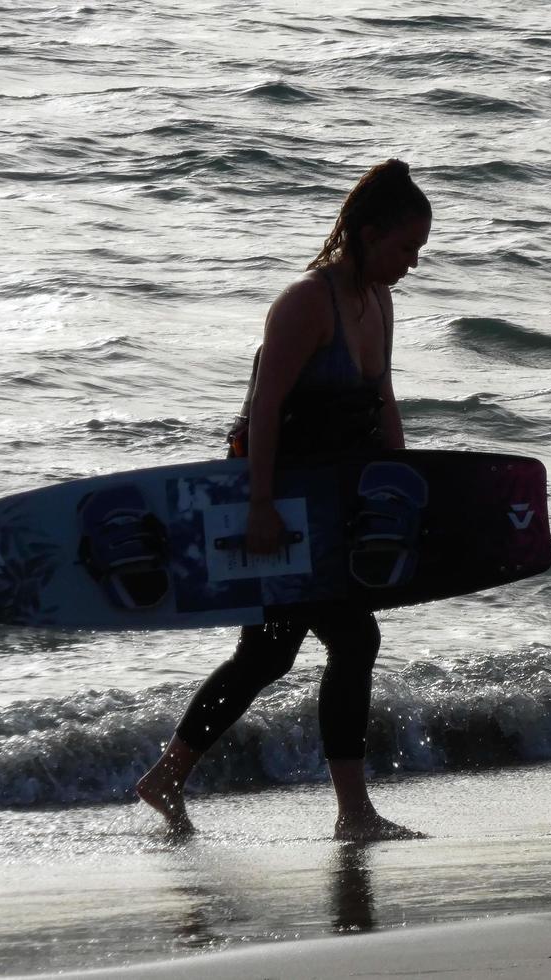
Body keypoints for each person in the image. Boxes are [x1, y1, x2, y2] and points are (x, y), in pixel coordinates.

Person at [136, 159, 432, 841]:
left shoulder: (379, 302)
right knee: (350, 640)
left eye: (419, 252)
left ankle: (169, 776)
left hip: (335, 509)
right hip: (283, 508)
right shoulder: (306, 302)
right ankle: (353, 814)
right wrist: (260, 508)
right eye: (404, 248)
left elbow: (383, 400)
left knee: (270, 655)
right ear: (364, 233)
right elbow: (265, 410)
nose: (412, 264)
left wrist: (406, 490)